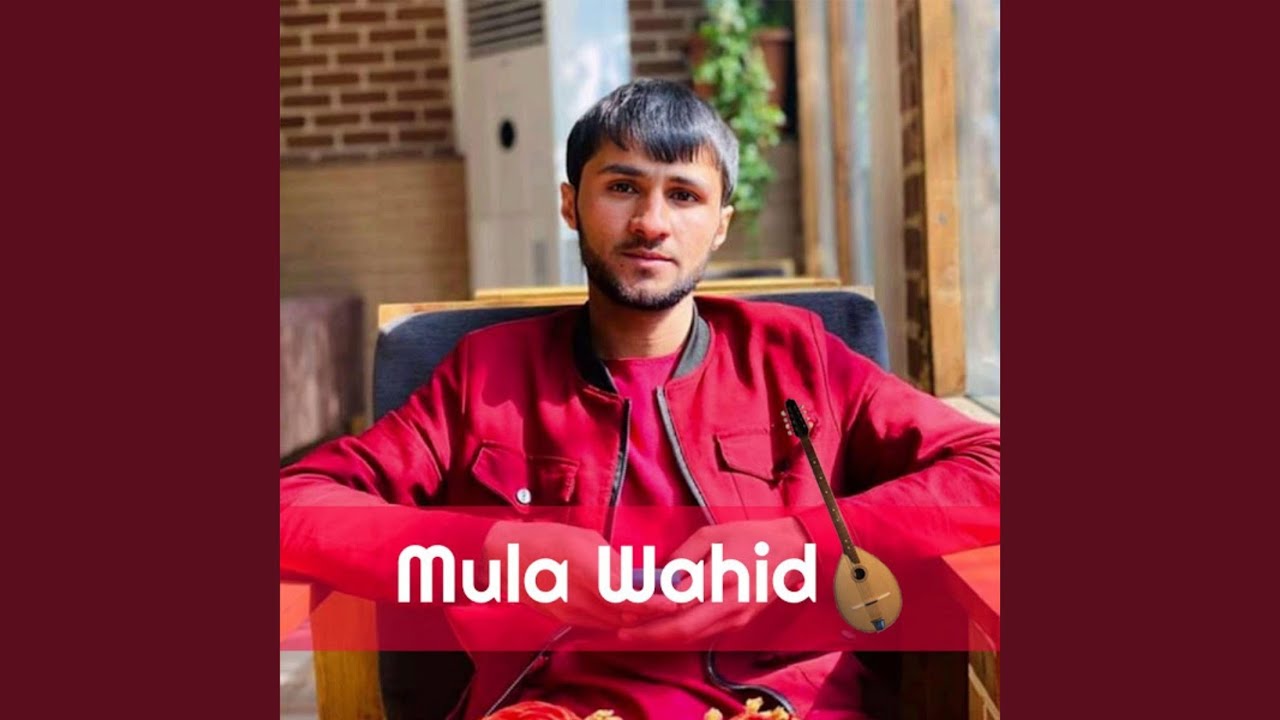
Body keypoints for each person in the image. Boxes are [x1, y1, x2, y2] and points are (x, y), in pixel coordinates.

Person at [281, 78, 1000, 720]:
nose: (652, 222)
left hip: (780, 705)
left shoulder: (799, 358)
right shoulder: (485, 375)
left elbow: (994, 469)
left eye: (684, 195)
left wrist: (798, 543)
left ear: (720, 225)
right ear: (571, 203)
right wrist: (500, 551)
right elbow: (294, 507)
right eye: (623, 186)